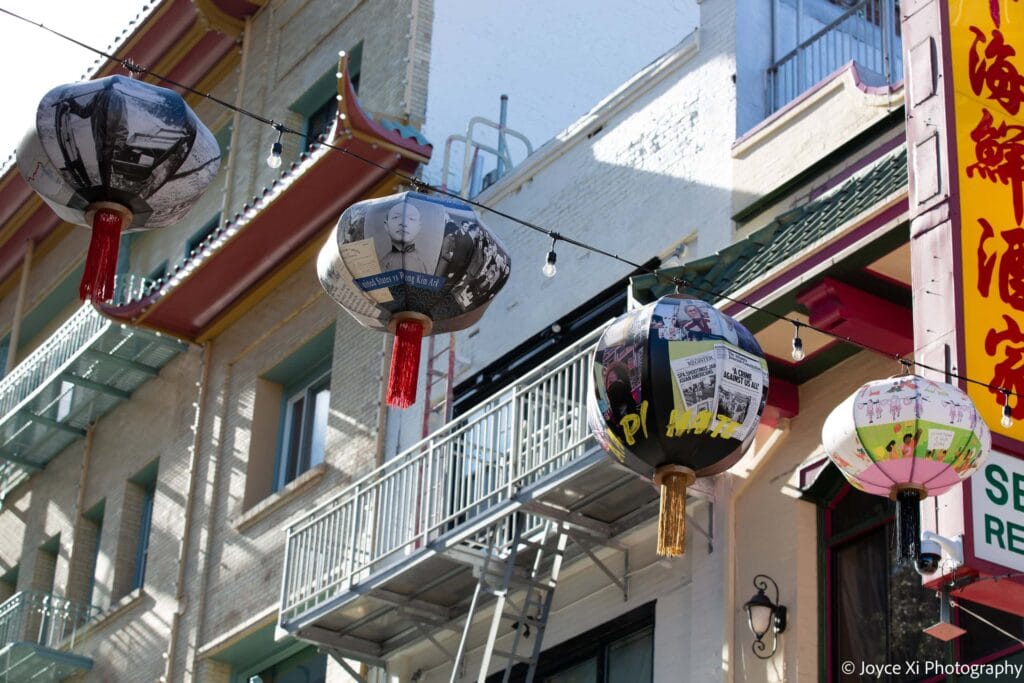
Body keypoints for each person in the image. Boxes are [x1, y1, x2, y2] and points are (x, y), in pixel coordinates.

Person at [379, 202, 429, 274]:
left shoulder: (426, 263)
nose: (403, 223)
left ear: (419, 227)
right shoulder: (382, 264)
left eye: (411, 219)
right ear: (386, 226)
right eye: (396, 217)